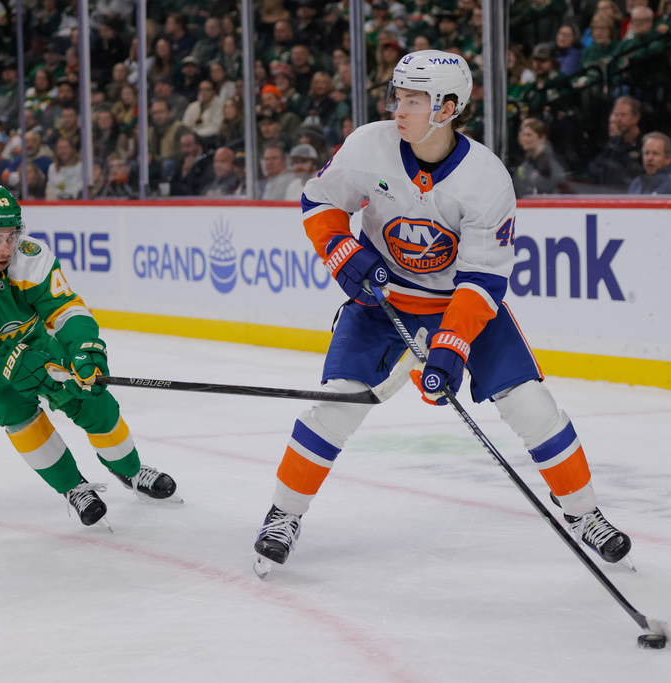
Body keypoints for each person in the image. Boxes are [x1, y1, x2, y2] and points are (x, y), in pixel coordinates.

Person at [253, 50, 632, 577]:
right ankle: (283, 515)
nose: (398, 108)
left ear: (448, 106)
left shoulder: (486, 179)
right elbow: (319, 202)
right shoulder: (369, 145)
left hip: (463, 305)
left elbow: (483, 281)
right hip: (381, 302)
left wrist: (451, 347)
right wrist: (342, 252)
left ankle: (584, 513)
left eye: (413, 99)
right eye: (397, 96)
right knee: (335, 406)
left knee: (532, 405)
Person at [0, 186, 181, 526]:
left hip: (29, 340)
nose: (6, 248)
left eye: (12, 236)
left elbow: (66, 307)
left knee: (88, 391)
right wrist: (3, 364)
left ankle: (130, 469)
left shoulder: (31, 254)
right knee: (12, 404)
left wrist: (83, 347)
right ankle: (73, 487)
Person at [584, 95, 644, 191]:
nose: (618, 120)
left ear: (636, 117)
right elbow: (593, 169)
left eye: (623, 115)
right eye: (616, 115)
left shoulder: (645, 146)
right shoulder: (612, 144)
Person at [512, 117, 568, 196]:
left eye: (528, 135)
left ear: (542, 137)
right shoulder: (529, 159)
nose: (523, 138)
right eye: (523, 134)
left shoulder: (547, 164)